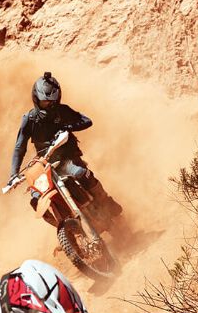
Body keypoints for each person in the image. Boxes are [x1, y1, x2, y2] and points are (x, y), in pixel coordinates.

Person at [7, 72, 122, 220]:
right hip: (45, 164)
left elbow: (87, 121)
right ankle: (63, 225)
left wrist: (68, 127)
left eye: (52, 102)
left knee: (81, 172)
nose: (49, 106)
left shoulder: (62, 111)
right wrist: (13, 174)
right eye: (45, 102)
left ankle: (106, 202)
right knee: (36, 198)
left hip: (67, 158)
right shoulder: (29, 119)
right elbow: (19, 148)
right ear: (36, 99)